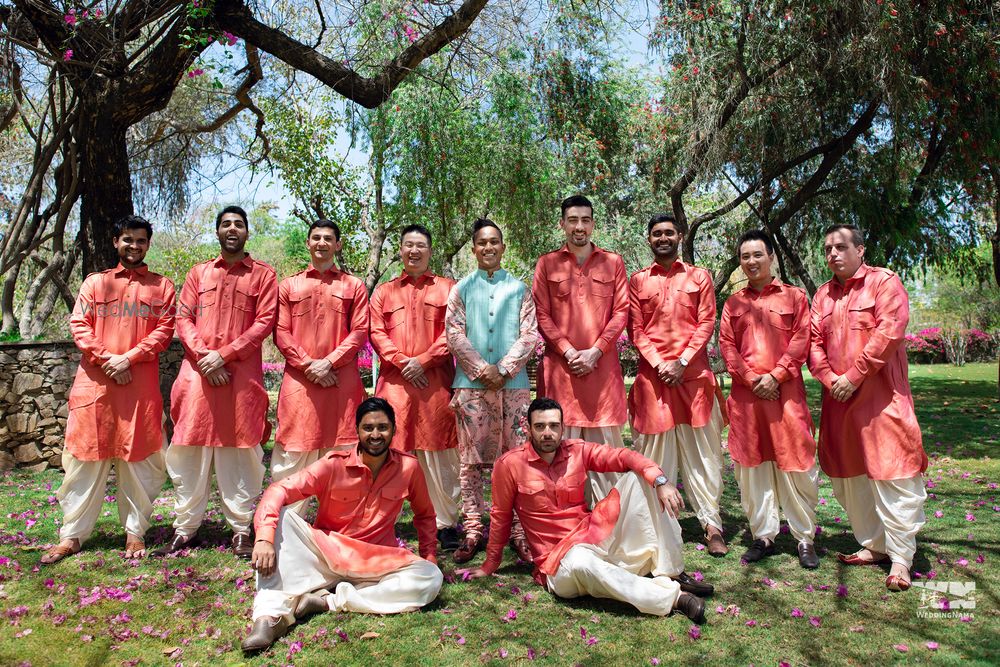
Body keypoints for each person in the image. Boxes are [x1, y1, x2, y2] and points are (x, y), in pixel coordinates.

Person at [459, 397, 711, 623]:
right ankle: (674, 599)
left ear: (562, 428)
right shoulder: (510, 464)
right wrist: (490, 564)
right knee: (581, 562)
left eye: (553, 426)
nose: (548, 433)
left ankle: (673, 573)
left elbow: (623, 457)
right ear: (528, 429)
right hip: (559, 565)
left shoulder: (577, 451)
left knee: (641, 479)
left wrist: (660, 480)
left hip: (593, 540)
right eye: (540, 426)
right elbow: (500, 517)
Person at [242, 397, 442, 652]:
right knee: (282, 520)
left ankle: (328, 602)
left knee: (430, 577)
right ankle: (269, 619)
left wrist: (430, 556)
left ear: (393, 429)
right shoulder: (333, 464)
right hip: (325, 553)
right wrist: (263, 539)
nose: (376, 434)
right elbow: (279, 489)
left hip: (375, 561)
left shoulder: (408, 468)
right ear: (357, 430)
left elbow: (424, 515)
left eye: (383, 427)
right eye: (368, 428)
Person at [41, 215, 175, 564]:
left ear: (149, 244)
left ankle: (135, 532)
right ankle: (71, 534)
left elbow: (163, 331)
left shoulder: (162, 287)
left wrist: (128, 358)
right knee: (85, 461)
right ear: (116, 242)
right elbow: (79, 325)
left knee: (140, 462)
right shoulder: (95, 284)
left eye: (141, 241)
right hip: (96, 385)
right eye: (127, 240)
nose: (134, 246)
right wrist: (108, 359)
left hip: (139, 388)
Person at [808, 224, 927, 591]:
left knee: (894, 477)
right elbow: (813, 344)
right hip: (840, 403)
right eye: (827, 249)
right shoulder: (822, 295)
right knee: (849, 480)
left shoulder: (884, 282)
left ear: (861, 250)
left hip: (881, 401)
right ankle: (875, 544)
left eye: (841, 247)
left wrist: (854, 377)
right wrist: (832, 380)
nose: (833, 254)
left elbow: (890, 330)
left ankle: (902, 559)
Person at [156, 206, 278, 559]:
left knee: (241, 453)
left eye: (239, 224)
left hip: (240, 378)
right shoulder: (199, 273)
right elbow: (184, 317)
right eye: (226, 224)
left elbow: (264, 322)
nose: (232, 229)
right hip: (197, 377)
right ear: (217, 232)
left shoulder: (263, 276)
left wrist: (222, 357)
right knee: (189, 450)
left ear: (247, 233)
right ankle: (185, 527)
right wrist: (206, 359)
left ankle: (241, 528)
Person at [627, 213, 728, 555]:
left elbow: (707, 321)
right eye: (656, 234)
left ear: (680, 236)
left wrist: (682, 362)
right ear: (649, 240)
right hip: (653, 381)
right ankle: (657, 523)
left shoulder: (699, 277)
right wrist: (660, 365)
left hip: (694, 379)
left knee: (703, 455)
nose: (663, 238)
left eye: (669, 232)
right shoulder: (638, 281)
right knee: (654, 452)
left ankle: (711, 524)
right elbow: (636, 330)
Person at [719, 230, 819, 568]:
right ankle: (763, 535)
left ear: (771, 256)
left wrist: (775, 376)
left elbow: (801, 340)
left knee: (796, 465)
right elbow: (727, 348)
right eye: (745, 256)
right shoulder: (733, 304)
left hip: (786, 396)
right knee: (752, 468)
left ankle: (804, 538)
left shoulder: (795, 298)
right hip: (747, 401)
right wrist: (752, 380)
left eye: (757, 255)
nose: (751, 262)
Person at [445, 219, 537, 564]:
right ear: (473, 249)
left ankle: (516, 531)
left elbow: (529, 335)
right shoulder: (461, 290)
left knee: (515, 460)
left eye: (494, 242)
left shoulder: (520, 289)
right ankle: (472, 530)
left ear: (503, 246)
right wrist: (482, 369)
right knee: (471, 463)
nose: (488, 248)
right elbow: (453, 333)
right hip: (471, 387)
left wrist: (506, 369)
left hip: (513, 389)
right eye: (482, 243)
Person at [532, 195, 629, 505]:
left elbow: (621, 311)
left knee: (607, 456)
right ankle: (568, 520)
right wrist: (568, 351)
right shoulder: (547, 263)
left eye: (585, 220)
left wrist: (596, 351)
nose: (579, 227)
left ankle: (611, 521)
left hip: (602, 377)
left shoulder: (613, 262)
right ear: (562, 224)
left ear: (593, 224)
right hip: (563, 375)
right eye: (572, 220)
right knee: (564, 454)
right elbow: (541, 313)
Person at [370, 224, 462, 550]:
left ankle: (446, 522)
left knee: (441, 453)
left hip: (435, 384)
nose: (414, 251)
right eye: (408, 245)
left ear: (430, 251)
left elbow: (453, 332)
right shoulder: (384, 291)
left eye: (420, 245)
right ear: (400, 249)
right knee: (389, 451)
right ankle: (383, 520)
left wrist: (421, 361)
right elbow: (376, 332)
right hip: (395, 384)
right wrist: (402, 361)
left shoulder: (449, 289)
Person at [271, 219, 369, 514]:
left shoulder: (354, 286)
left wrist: (328, 363)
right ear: (308, 243)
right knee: (294, 450)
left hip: (342, 383)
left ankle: (339, 524)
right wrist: (309, 366)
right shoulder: (289, 285)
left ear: (338, 245)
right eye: (316, 237)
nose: (322, 243)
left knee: (343, 451)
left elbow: (360, 331)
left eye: (328, 238)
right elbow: (281, 332)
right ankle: (287, 524)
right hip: (300, 385)